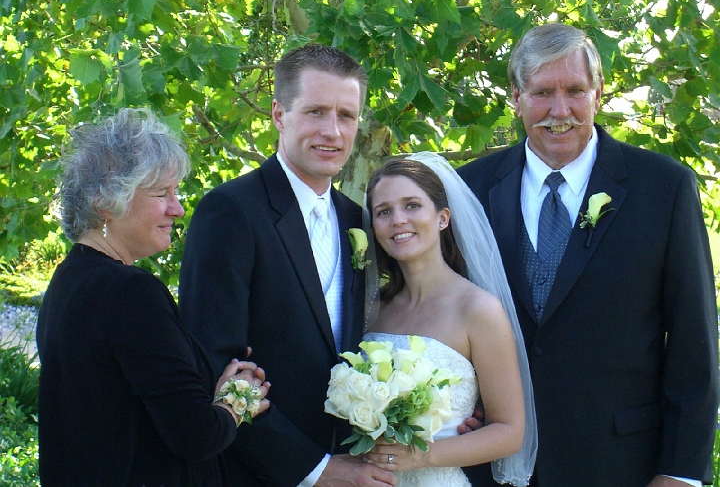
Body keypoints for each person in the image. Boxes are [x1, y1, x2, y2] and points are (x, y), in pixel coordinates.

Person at [458, 23, 718, 487]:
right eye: (542, 93)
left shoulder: (663, 187)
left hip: (619, 464)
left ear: (598, 93)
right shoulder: (468, 190)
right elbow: (432, 310)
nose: (561, 111)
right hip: (490, 466)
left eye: (575, 90)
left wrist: (681, 473)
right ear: (515, 96)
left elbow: (694, 343)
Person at [179, 44, 397, 487]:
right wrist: (316, 470)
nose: (333, 131)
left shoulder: (358, 220)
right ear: (279, 114)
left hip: (355, 464)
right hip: (259, 474)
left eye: (346, 116)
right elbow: (216, 368)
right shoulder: (230, 212)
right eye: (316, 112)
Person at [36, 108, 271, 487]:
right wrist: (236, 399)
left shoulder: (67, 281)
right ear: (105, 203)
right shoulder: (130, 292)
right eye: (162, 194)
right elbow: (196, 436)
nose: (177, 209)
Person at [360, 153, 537, 487]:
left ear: (442, 218)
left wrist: (423, 454)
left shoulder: (478, 310)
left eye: (412, 205)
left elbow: (509, 432)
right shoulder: (372, 309)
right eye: (384, 212)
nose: (398, 219)